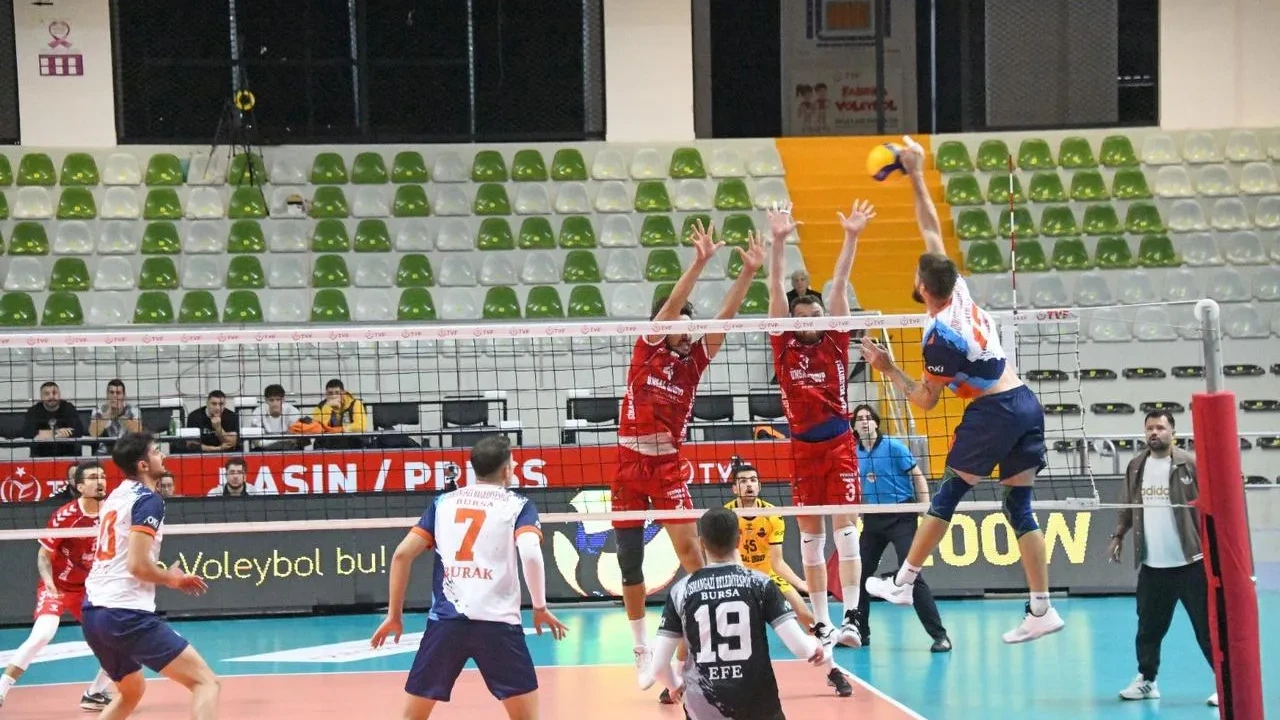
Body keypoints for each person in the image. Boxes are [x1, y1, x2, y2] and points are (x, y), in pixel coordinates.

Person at [860, 135, 1064, 643]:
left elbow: (926, 400)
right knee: (1018, 507)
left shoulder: (941, 336)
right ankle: (1041, 609)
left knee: (949, 493)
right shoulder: (960, 291)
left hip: (995, 411)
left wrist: (888, 368)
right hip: (1025, 402)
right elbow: (930, 226)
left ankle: (904, 582)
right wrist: (916, 172)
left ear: (923, 288)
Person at [615, 220, 766, 686]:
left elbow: (724, 318)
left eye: (688, 327)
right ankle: (642, 649)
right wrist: (699, 262)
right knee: (629, 562)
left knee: (694, 558)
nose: (685, 331)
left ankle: (694, 652)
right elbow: (672, 308)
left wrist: (748, 273)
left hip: (666, 467)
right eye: (678, 324)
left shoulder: (694, 363)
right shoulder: (647, 349)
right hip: (627, 464)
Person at [370, 434, 568, 720]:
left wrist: (394, 616)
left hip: (446, 624)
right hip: (498, 626)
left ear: (473, 469)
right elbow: (530, 554)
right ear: (507, 470)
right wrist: (540, 607)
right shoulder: (519, 505)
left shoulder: (443, 503)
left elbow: (401, 554)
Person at [765, 198, 873, 649]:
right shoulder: (783, 344)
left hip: (840, 444)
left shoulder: (835, 341)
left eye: (814, 316)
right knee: (811, 540)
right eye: (801, 317)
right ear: (791, 321)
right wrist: (778, 242)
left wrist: (851, 236)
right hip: (802, 449)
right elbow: (775, 289)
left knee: (846, 534)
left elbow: (841, 282)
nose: (808, 322)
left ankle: (851, 619)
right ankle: (823, 623)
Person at [639, 507, 852, 719]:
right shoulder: (760, 584)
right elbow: (800, 647)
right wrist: (816, 646)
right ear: (739, 540)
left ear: (701, 543)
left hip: (704, 707)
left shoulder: (681, 590)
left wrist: (675, 685)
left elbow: (658, 668)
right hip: (757, 705)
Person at [81, 431, 219, 719]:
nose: (163, 455)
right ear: (143, 465)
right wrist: (173, 578)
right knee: (205, 683)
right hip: (125, 613)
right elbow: (138, 566)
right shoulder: (148, 500)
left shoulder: (115, 496)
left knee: (131, 692)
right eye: (157, 452)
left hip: (93, 614)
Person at [1108, 411, 1217, 707]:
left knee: (1207, 629)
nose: (1154, 432)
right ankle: (1147, 680)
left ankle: (1224, 683)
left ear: (1173, 432)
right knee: (1148, 629)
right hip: (1153, 566)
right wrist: (1118, 535)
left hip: (1190, 563)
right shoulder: (1136, 465)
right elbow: (1128, 505)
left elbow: (1213, 504)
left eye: (1160, 427)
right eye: (1150, 428)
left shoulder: (1189, 464)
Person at [0, 462, 114, 711]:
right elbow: (44, 555)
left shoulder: (112, 512)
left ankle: (95, 693)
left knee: (118, 639)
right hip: (58, 586)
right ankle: (2, 688)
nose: (101, 481)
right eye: (93, 477)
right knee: (43, 634)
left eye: (103, 476)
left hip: (89, 590)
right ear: (80, 486)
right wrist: (49, 582)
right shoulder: (65, 516)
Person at [849, 404, 950, 652]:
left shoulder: (893, 446)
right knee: (859, 574)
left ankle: (940, 636)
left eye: (868, 418)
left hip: (901, 515)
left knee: (911, 573)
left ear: (876, 423)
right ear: (854, 426)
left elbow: (918, 475)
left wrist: (924, 507)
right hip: (873, 518)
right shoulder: (853, 453)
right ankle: (861, 633)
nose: (864, 422)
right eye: (859, 419)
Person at [722, 460, 813, 628]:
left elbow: (777, 562)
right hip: (737, 572)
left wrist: (800, 584)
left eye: (753, 480)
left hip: (767, 571)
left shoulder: (773, 515)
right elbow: (728, 556)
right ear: (735, 489)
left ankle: (823, 640)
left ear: (759, 486)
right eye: (743, 481)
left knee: (806, 615)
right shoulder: (726, 515)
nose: (749, 484)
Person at [22, 381, 86, 458]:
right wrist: (56, 433)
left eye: (55, 393)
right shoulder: (34, 410)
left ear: (59, 395)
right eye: (47, 394)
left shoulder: (69, 408)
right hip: (41, 455)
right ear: (41, 397)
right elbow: (26, 433)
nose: (51, 396)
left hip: (68, 454)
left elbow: (79, 431)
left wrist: (44, 434)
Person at [88, 379, 143, 455]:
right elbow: (93, 433)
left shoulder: (133, 410)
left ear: (124, 396)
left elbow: (138, 432)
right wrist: (108, 413)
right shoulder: (98, 411)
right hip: (104, 453)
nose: (114, 396)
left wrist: (120, 414)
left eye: (118, 393)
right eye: (111, 392)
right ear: (107, 395)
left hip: (127, 451)